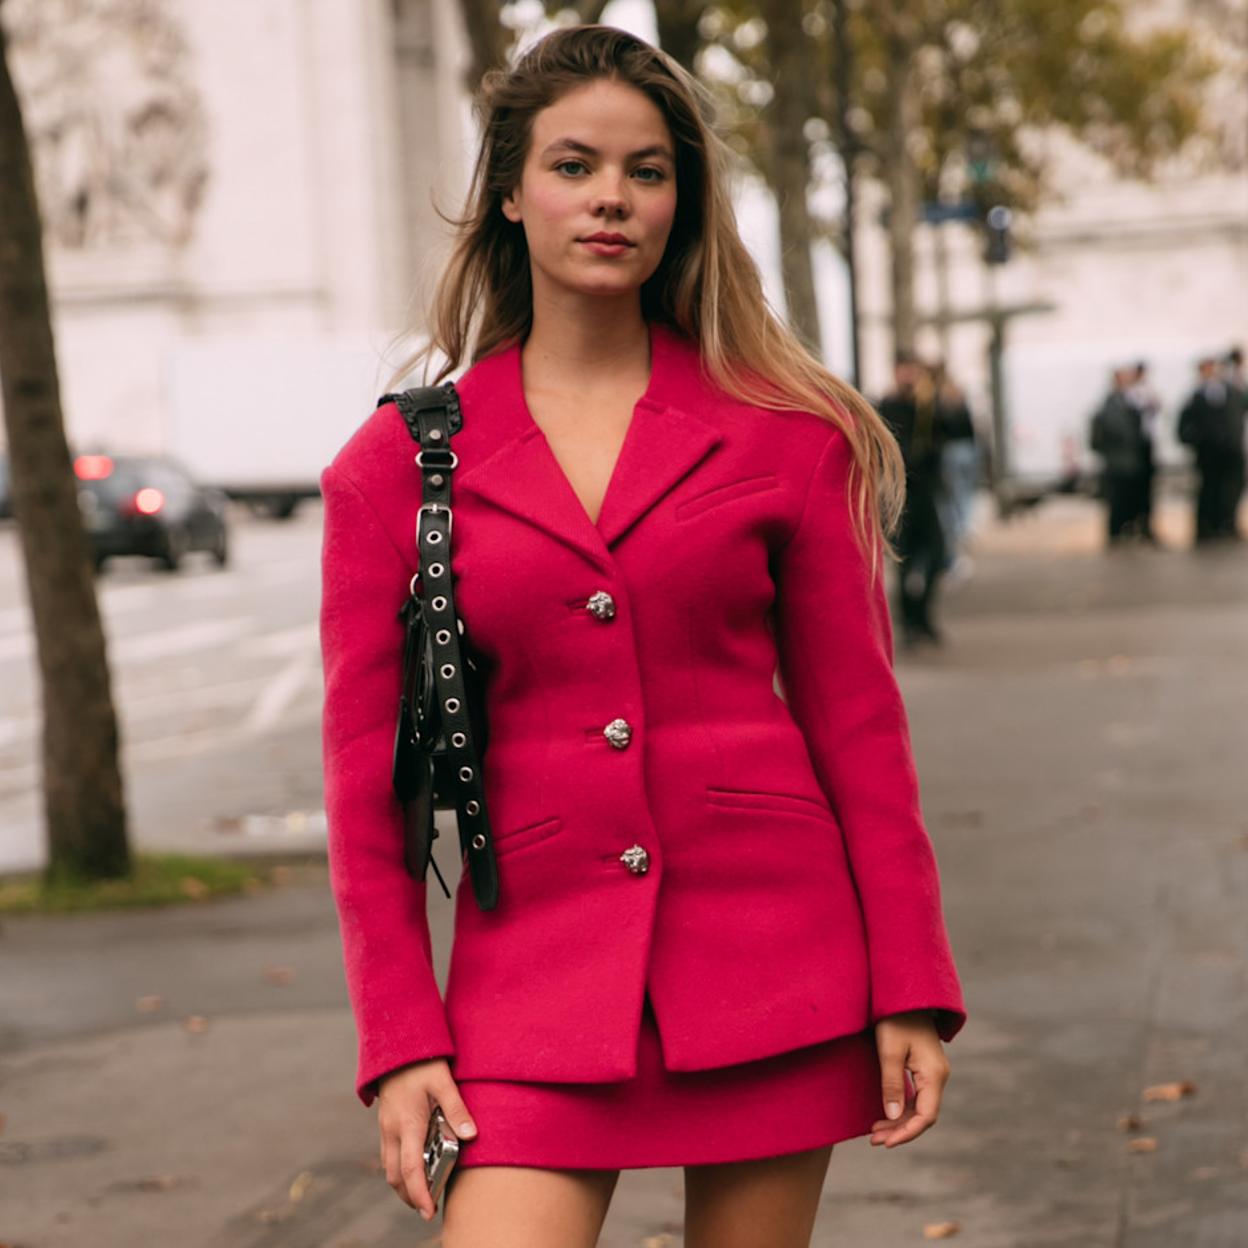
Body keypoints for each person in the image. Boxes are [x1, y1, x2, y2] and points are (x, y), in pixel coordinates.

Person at [319, 25, 966, 1248]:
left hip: (774, 962)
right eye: (573, 165)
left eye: (647, 170)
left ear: (684, 201)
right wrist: (400, 1045)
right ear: (508, 192)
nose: (610, 197)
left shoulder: (791, 435)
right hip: (532, 989)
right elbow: (369, 803)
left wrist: (912, 988)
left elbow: (861, 732)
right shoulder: (393, 469)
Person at [878, 354, 948, 645]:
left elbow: (950, 433)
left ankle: (923, 614)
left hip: (926, 493)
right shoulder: (887, 406)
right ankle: (908, 621)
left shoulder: (926, 407)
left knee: (936, 554)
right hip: (901, 495)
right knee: (903, 559)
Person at [1178, 356, 1245, 543]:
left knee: (1231, 489)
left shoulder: (1234, 392)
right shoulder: (1196, 396)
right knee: (1208, 490)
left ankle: (1227, 524)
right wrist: (1198, 441)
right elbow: (1184, 428)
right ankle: (1206, 528)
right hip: (1208, 454)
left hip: (1231, 451)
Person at [931, 361, 980, 575]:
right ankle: (965, 525)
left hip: (951, 451)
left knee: (952, 494)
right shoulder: (958, 398)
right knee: (963, 492)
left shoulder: (938, 400)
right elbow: (970, 426)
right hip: (966, 449)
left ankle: (960, 526)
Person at [1089, 367, 1147, 546]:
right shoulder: (1109, 405)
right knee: (1116, 501)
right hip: (1116, 461)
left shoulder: (1131, 402)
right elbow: (1098, 437)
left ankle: (1127, 530)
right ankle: (1115, 534)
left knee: (1130, 499)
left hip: (1130, 460)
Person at [1125, 360, 1161, 543]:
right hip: (1135, 446)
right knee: (1133, 489)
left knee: (1147, 489)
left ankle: (1145, 525)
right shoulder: (1129, 393)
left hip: (1146, 444)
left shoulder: (1146, 391)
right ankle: (1134, 525)